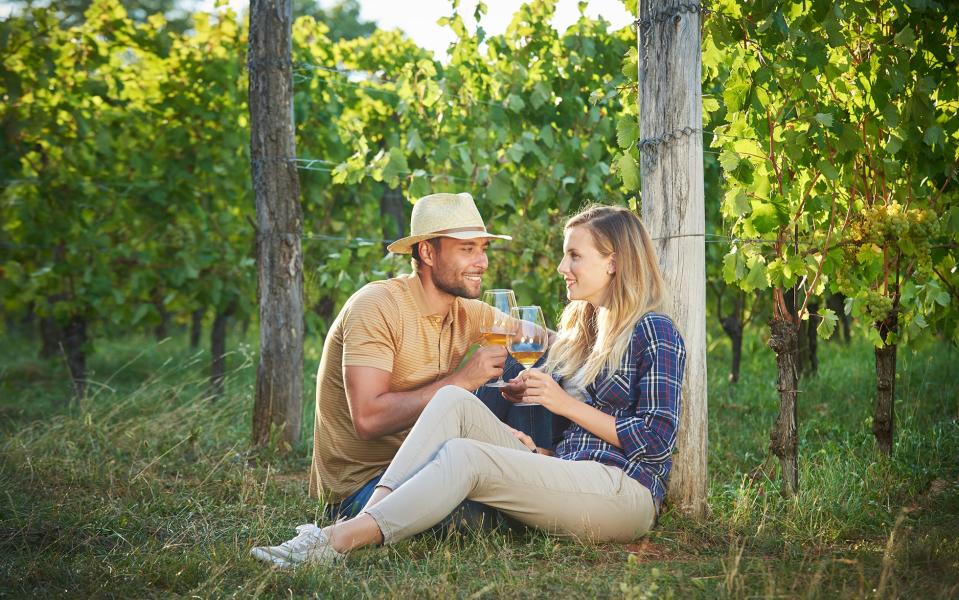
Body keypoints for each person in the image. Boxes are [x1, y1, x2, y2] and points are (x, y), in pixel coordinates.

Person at [252, 204, 686, 567]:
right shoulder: (593, 329)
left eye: (574, 256)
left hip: (625, 493)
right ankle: (351, 526)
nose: (561, 267)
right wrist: (539, 451)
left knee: (464, 458)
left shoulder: (654, 330)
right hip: (573, 473)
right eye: (468, 248)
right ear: (426, 252)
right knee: (454, 401)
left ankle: (334, 543)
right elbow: (580, 444)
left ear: (613, 262)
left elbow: (655, 442)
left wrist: (561, 402)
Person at [307, 192, 514, 520]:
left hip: (426, 464)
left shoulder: (464, 310)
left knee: (530, 364)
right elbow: (368, 419)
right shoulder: (377, 306)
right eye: (467, 249)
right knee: (498, 512)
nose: (482, 262)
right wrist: (461, 381)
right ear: (428, 252)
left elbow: (537, 337)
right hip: (362, 488)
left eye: (483, 249)